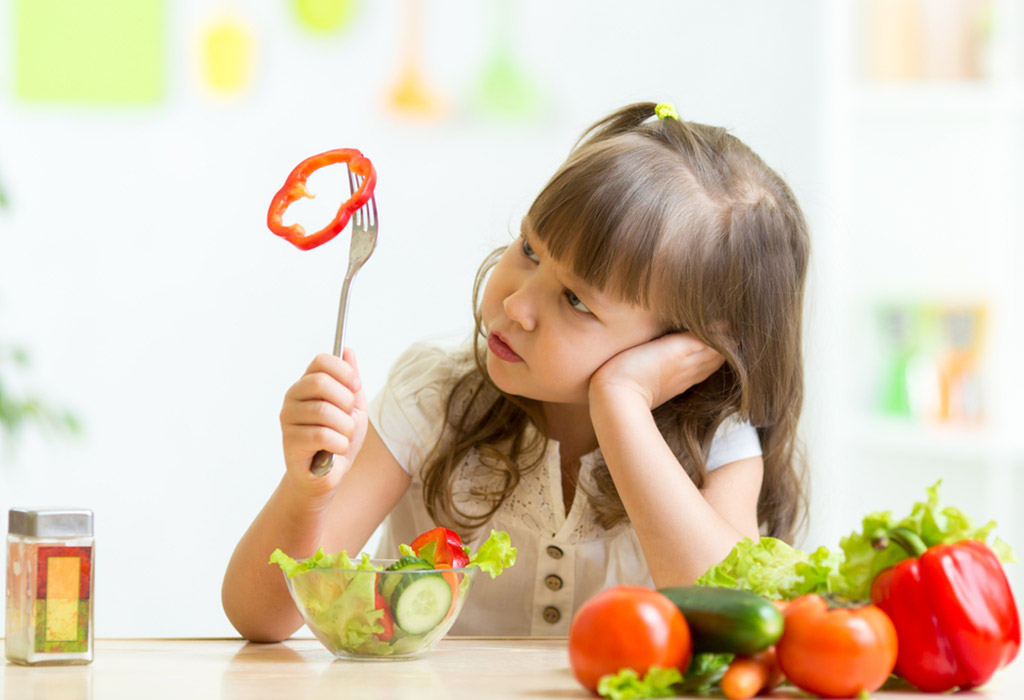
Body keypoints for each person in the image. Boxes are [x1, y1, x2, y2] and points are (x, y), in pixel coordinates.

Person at [222, 101, 810, 641]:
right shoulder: (431, 398)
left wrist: (621, 401)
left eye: (577, 301)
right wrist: (307, 493)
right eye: (529, 250)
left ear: (690, 349)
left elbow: (734, 627)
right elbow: (264, 617)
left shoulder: (718, 441)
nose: (518, 305)